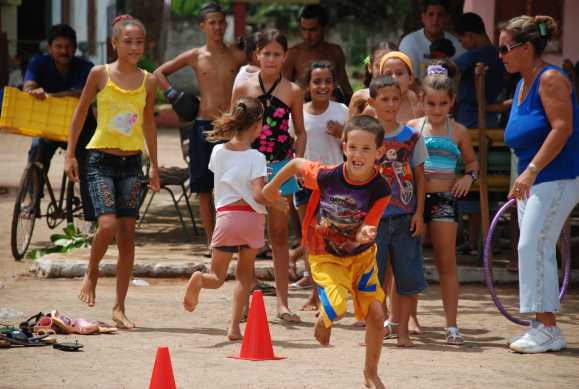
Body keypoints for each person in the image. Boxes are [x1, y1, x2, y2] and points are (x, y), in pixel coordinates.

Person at [262, 115, 390, 389]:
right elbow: (296, 163)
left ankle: (371, 372)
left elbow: (371, 222)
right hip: (326, 254)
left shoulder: (381, 188)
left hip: (362, 259)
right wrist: (272, 188)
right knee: (337, 307)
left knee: (377, 315)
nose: (358, 154)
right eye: (353, 147)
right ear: (343, 146)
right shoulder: (328, 175)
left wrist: (366, 232)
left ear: (379, 152)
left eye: (366, 149)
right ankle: (326, 316)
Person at [64, 15, 160, 329]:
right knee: (106, 224)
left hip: (132, 164)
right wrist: (69, 155)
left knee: (128, 236)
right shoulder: (99, 74)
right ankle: (91, 272)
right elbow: (79, 115)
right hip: (100, 161)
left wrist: (155, 165)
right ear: (114, 43)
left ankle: (119, 307)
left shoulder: (149, 80)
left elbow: (148, 123)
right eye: (128, 41)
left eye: (139, 42)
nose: (134, 47)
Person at [499, 15, 579, 354]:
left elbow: (562, 128)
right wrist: (524, 177)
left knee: (532, 245)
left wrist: (530, 171)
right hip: (533, 180)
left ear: (526, 47)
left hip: (556, 177)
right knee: (531, 247)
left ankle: (548, 327)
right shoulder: (521, 83)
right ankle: (540, 325)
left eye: (505, 48)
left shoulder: (550, 79)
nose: (500, 54)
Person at [182, 97, 286, 340]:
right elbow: (259, 195)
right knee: (244, 276)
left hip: (227, 217)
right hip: (251, 221)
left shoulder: (218, 151)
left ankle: (199, 280)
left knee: (217, 277)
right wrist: (276, 202)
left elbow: (220, 179)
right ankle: (234, 328)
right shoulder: (257, 157)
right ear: (258, 125)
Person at [154, 2, 245, 251]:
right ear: (203, 26)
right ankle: (211, 240)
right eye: (212, 22)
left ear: (225, 25)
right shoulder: (195, 56)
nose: (217, 27)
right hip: (204, 125)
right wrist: (173, 95)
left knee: (232, 186)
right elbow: (159, 73)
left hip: (231, 127)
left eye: (220, 22)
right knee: (204, 188)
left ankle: (234, 237)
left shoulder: (237, 56)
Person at [232, 30, 306, 323]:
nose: (271, 59)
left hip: (280, 166)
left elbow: (300, 131)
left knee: (278, 235)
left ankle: (282, 304)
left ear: (284, 56)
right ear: (257, 55)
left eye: (277, 54)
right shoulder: (243, 88)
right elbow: (233, 127)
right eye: (266, 53)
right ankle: (245, 300)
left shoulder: (293, 91)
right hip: (250, 165)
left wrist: (296, 163)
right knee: (248, 236)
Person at [407, 64, 478, 344]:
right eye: (431, 103)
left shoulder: (458, 131)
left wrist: (468, 178)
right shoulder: (412, 129)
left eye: (443, 104)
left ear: (452, 102)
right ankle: (405, 317)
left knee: (446, 262)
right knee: (408, 261)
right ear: (422, 101)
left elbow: (472, 163)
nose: (437, 110)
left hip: (445, 201)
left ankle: (452, 325)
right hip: (414, 201)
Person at [369, 76, 428, 347]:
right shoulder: (366, 137)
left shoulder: (412, 136)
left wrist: (419, 213)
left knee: (406, 278)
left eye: (395, 98)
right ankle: (376, 332)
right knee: (373, 281)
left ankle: (402, 331)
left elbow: (420, 176)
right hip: (374, 220)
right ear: (373, 103)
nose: (391, 104)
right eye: (384, 99)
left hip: (405, 217)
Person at [288, 61, 348, 311]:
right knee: (310, 240)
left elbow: (356, 145)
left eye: (327, 81)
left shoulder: (342, 110)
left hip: (333, 183)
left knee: (332, 240)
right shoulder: (298, 112)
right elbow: (292, 145)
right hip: (305, 182)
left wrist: (342, 133)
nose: (322, 86)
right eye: (317, 81)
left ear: (334, 85)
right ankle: (314, 293)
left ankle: (332, 293)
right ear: (308, 85)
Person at [22, 24, 96, 221]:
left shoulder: (86, 67)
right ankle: (33, 201)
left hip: (81, 128)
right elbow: (28, 85)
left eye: (68, 46)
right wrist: (32, 91)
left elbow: (80, 93)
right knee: (36, 152)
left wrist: (49, 95)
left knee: (88, 164)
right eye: (59, 46)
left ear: (74, 48)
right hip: (50, 125)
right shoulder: (38, 63)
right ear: (50, 48)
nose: (64, 51)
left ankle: (92, 216)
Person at [283, 4, 352, 104]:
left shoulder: (335, 52)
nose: (307, 35)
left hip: (332, 108)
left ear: (324, 28)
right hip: (304, 111)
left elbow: (345, 87)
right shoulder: (293, 54)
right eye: (304, 29)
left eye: (312, 30)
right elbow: (284, 89)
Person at [454, 12, 506, 129]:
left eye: (461, 40)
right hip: (493, 120)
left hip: (471, 121)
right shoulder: (500, 56)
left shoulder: (473, 56)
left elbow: (449, 68)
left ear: (470, 36)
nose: (462, 45)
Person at [399, 0, 465, 80]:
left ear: (447, 18)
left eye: (440, 15)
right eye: (431, 14)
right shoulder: (408, 44)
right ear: (423, 17)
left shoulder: (457, 45)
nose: (435, 19)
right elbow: (408, 80)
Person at [349, 41, 397, 118]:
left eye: (389, 66)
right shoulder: (359, 97)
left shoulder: (410, 97)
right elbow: (350, 128)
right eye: (379, 66)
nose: (383, 71)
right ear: (370, 67)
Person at [379, 51, 424, 123]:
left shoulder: (420, 108)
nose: (394, 77)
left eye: (399, 73)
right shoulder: (373, 108)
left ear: (410, 79)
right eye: (388, 74)